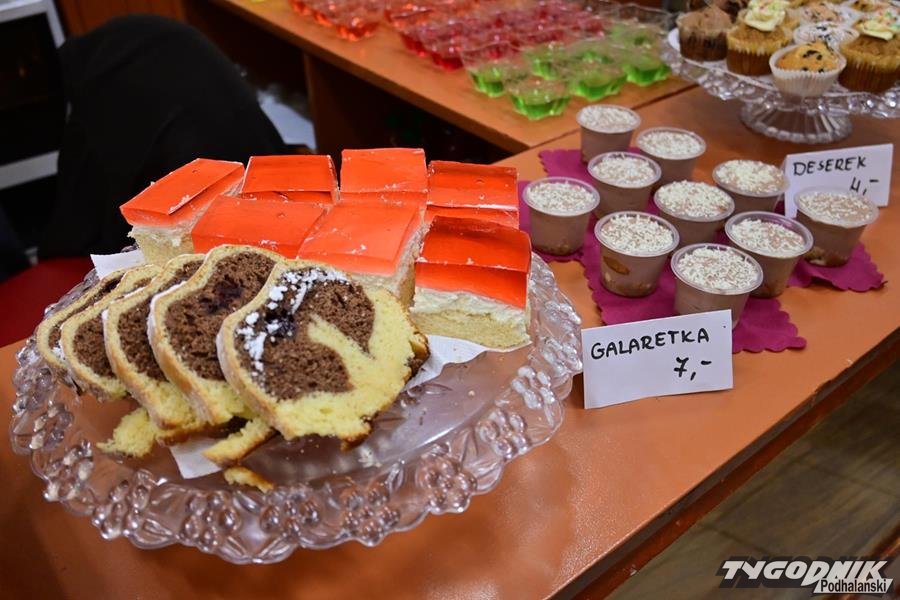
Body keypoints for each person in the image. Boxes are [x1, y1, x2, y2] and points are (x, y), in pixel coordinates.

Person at [40, 15, 286, 258]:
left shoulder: (99, 85)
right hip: (265, 173)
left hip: (203, 201)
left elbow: (83, 206)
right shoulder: (134, 40)